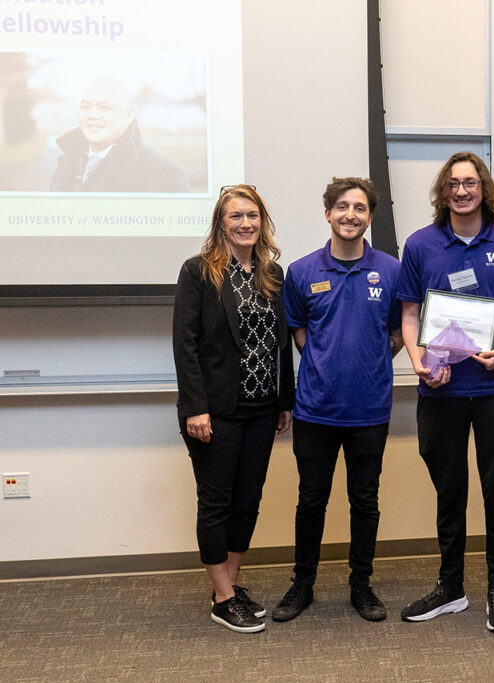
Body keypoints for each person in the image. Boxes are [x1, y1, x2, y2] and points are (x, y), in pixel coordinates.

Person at [397, 151, 494, 633]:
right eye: (454, 183)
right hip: (441, 392)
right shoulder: (419, 245)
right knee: (449, 492)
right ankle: (450, 587)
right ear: (443, 190)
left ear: (485, 189)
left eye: (471, 182)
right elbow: (411, 314)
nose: (462, 190)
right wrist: (418, 362)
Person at [272, 177, 402, 623]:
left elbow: (401, 329)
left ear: (370, 217)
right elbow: (299, 331)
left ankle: (361, 585)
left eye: (360, 208)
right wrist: (326, 361)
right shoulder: (302, 272)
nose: (351, 214)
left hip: (369, 409)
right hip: (316, 410)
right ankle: (302, 584)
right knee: (311, 500)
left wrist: (370, 358)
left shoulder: (390, 269)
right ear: (328, 213)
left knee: (365, 501)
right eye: (342, 206)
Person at [172, 184, 294, 633]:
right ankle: (222, 597)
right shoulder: (199, 272)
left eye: (253, 216)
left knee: (248, 501)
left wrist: (285, 401)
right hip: (216, 412)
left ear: (262, 221)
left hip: (263, 409)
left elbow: (282, 346)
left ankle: (230, 583)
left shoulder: (271, 273)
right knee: (217, 502)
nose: (246, 223)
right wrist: (195, 408)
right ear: (220, 223)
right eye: (236, 216)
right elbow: (185, 345)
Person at [50, 77, 190, 193]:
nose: (92, 115)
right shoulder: (67, 163)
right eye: (85, 107)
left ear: (129, 115)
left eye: (104, 107)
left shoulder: (165, 175)